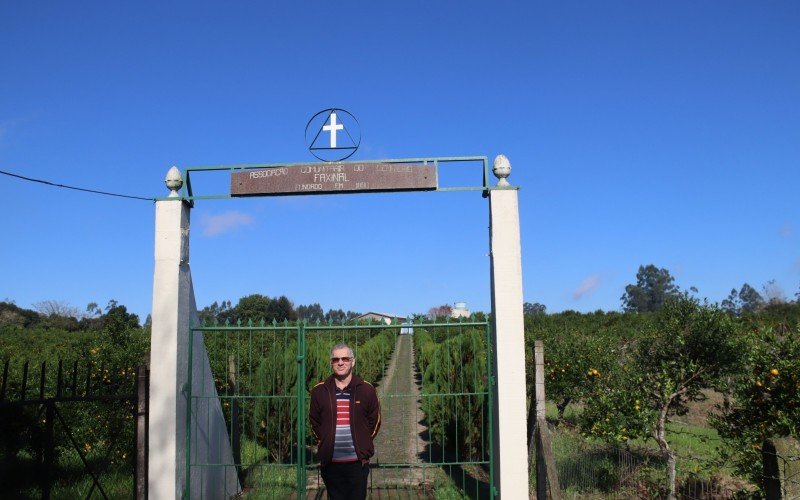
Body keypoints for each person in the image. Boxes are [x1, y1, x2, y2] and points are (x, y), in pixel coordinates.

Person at [309, 343, 381, 500]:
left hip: (357, 463)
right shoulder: (319, 391)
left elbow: (375, 421)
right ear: (331, 363)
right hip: (331, 463)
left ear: (353, 361)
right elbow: (314, 422)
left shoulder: (367, 390)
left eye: (345, 358)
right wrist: (323, 442)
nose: (340, 362)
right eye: (336, 359)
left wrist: (364, 442)